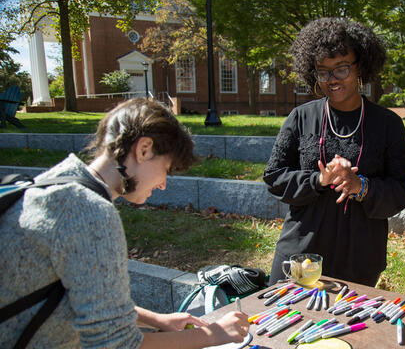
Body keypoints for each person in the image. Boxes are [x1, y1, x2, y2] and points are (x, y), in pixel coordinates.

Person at [0, 99, 249, 348]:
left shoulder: (57, 182)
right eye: (166, 169)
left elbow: (83, 289)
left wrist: (156, 319)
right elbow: (116, 343)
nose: (163, 184)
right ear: (144, 150)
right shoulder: (89, 212)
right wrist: (212, 334)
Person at [264, 17, 405, 287]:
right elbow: (274, 176)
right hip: (300, 251)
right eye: (323, 71)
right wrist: (318, 180)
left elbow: (402, 191)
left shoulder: (388, 124)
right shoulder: (301, 117)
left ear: (360, 67)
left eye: (341, 68)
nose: (331, 79)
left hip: (359, 257)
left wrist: (361, 186)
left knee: (348, 329)